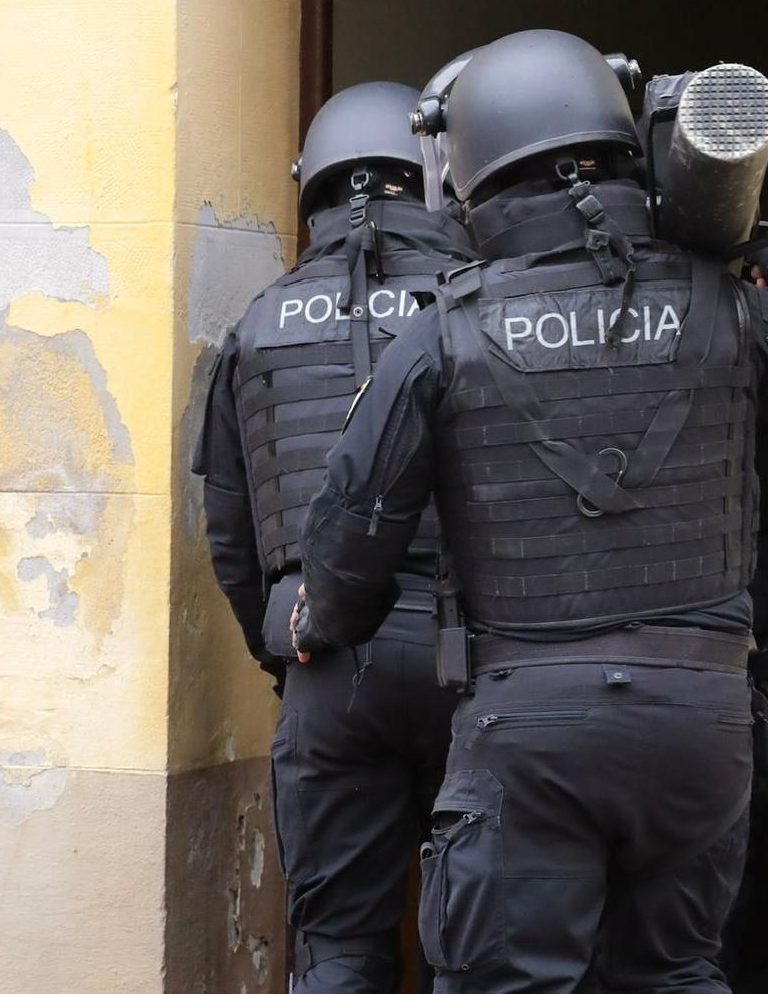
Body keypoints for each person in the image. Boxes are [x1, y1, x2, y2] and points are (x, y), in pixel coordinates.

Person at [290, 30, 768, 993]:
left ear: (469, 175)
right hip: (699, 726)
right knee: (674, 974)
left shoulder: (444, 332)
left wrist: (321, 625)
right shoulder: (726, 301)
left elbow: (353, 526)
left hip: (526, 735)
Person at [193, 81, 476, 992]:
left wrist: (288, 647)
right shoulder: (478, 305)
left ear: (309, 188)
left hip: (324, 656)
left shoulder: (258, 324)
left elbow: (233, 537)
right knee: (476, 944)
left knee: (339, 949)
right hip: (472, 655)